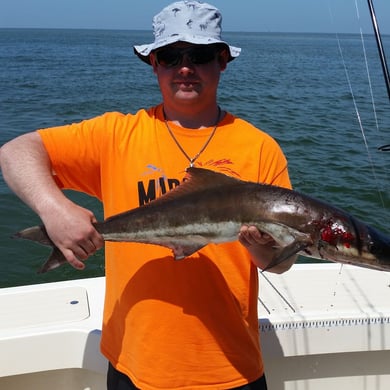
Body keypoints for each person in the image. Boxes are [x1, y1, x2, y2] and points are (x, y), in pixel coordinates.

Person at [0, 1, 296, 389]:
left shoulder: (259, 147)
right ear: (153, 63)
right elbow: (15, 152)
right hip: (134, 363)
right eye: (171, 56)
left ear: (223, 61)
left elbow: (277, 264)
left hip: (231, 366)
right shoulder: (116, 135)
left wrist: (264, 249)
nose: (185, 67)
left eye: (200, 54)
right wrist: (55, 209)